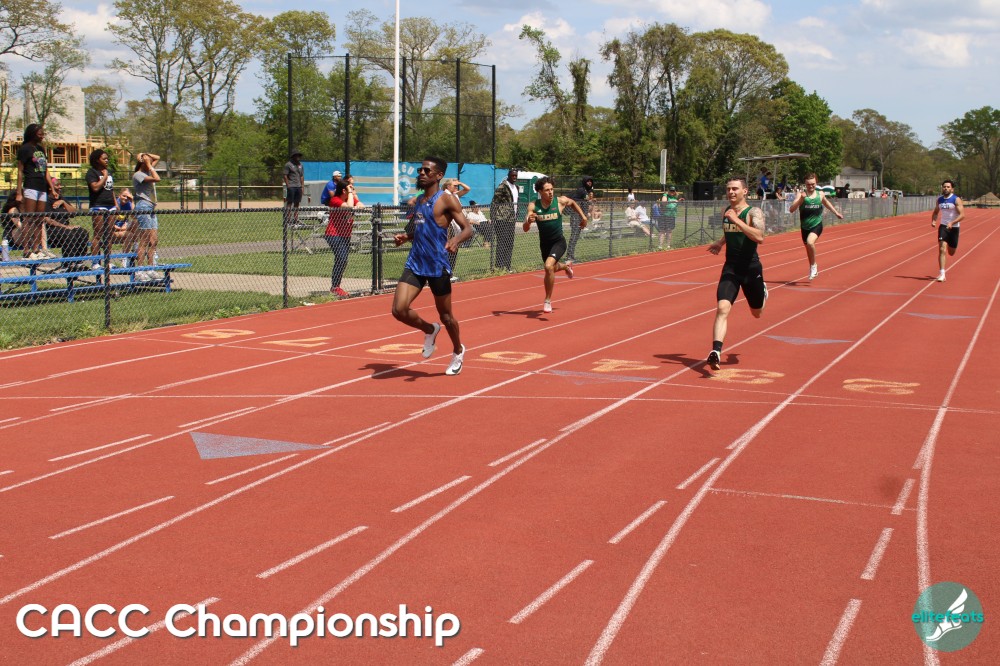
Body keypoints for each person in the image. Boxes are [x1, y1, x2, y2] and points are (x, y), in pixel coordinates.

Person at [392, 157, 472, 376]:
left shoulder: (447, 200)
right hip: (416, 262)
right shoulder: (419, 200)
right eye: (420, 170)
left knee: (446, 317)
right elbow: (423, 228)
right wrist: (407, 236)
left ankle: (458, 350)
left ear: (439, 176)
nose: (421, 173)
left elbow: (468, 229)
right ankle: (429, 329)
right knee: (399, 310)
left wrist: (455, 240)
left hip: (437, 264)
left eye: (427, 171)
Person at [705, 177, 767, 371]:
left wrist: (737, 220)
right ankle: (716, 351)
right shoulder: (727, 211)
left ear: (745, 191)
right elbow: (730, 231)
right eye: (728, 189)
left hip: (751, 268)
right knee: (722, 308)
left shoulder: (753, 212)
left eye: (735, 189)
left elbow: (759, 237)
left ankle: (763, 292)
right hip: (731, 268)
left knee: (757, 313)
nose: (731, 192)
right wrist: (720, 242)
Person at [523, 177, 587, 313]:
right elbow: (525, 228)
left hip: (559, 242)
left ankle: (547, 300)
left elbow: (573, 203)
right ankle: (565, 266)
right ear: (540, 192)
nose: (551, 192)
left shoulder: (560, 201)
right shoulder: (533, 206)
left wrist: (583, 217)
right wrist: (528, 221)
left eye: (552, 189)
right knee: (551, 268)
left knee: (548, 266)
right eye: (547, 190)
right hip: (544, 244)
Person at [787, 173, 843, 280]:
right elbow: (791, 209)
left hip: (817, 225)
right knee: (808, 249)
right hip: (804, 227)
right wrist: (800, 200)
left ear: (816, 183)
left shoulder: (820, 194)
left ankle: (814, 266)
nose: (811, 186)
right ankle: (813, 267)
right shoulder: (801, 195)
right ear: (805, 184)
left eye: (813, 184)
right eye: (808, 184)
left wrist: (836, 213)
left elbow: (826, 203)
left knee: (810, 242)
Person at [14, 124, 54, 258]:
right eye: (40, 134)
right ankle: (26, 250)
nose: (42, 136)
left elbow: (45, 170)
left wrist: (52, 187)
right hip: (31, 185)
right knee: (29, 218)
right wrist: (19, 192)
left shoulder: (41, 149)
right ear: (32, 134)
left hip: (42, 187)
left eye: (43, 134)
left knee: (39, 219)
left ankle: (37, 249)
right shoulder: (24, 149)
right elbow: (20, 171)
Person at [43, 179, 90, 269]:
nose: (60, 187)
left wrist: (63, 203)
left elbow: (74, 213)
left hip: (65, 229)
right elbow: (47, 220)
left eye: (60, 185)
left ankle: (78, 262)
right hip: (51, 230)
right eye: (57, 185)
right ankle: (68, 264)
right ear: (50, 188)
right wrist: (65, 227)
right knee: (68, 233)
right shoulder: (46, 200)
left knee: (82, 232)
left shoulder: (61, 198)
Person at [324, 180, 360, 297]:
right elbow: (349, 207)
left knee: (342, 260)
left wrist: (354, 196)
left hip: (345, 235)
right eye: (350, 188)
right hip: (333, 234)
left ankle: (336, 286)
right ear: (344, 190)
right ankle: (335, 287)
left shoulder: (350, 198)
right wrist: (350, 195)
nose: (352, 190)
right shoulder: (335, 200)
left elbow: (361, 205)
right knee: (341, 258)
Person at [132, 152, 161, 281]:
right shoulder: (138, 174)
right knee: (144, 240)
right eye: (147, 160)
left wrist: (145, 154)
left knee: (153, 240)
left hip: (151, 207)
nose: (150, 161)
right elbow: (157, 178)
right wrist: (149, 164)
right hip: (143, 206)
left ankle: (150, 269)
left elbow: (158, 157)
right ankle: (139, 270)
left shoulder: (148, 171)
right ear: (142, 162)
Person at [85, 148, 118, 263]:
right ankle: (95, 262)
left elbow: (111, 189)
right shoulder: (92, 172)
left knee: (109, 235)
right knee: (98, 234)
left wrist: (115, 203)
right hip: (98, 205)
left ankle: (108, 262)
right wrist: (104, 177)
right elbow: (95, 187)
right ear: (97, 160)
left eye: (107, 158)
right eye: (104, 159)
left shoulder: (108, 172)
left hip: (111, 206)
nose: (107, 160)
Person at [930, 179, 964, 282]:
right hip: (943, 227)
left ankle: (950, 244)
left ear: (952, 189)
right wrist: (934, 220)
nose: (946, 188)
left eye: (948, 187)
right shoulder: (939, 200)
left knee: (951, 252)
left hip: (954, 228)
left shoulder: (956, 199)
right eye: (944, 187)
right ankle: (942, 274)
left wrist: (952, 223)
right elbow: (936, 212)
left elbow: (962, 215)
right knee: (941, 249)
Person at [490, 167, 519, 270]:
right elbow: (494, 202)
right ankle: (499, 266)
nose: (514, 177)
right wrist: (492, 217)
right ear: (508, 175)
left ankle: (507, 266)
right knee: (502, 243)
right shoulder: (503, 186)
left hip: (512, 219)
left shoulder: (516, 187)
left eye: (515, 175)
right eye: (512, 175)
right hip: (502, 218)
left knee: (510, 243)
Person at [568, 176, 594, 262]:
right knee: (574, 235)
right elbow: (573, 200)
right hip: (576, 216)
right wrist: (583, 201)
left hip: (582, 216)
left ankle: (571, 255)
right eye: (588, 181)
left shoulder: (588, 191)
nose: (590, 182)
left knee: (576, 236)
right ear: (584, 182)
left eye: (591, 181)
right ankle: (569, 256)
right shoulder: (581, 190)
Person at [283, 150, 305, 226]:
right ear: (293, 156)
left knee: (297, 203)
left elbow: (301, 176)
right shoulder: (288, 165)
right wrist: (288, 185)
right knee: (289, 203)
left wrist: (302, 186)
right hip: (291, 186)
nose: (298, 157)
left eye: (299, 155)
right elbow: (285, 175)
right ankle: (288, 220)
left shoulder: (300, 165)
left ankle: (296, 219)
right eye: (296, 155)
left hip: (298, 186)